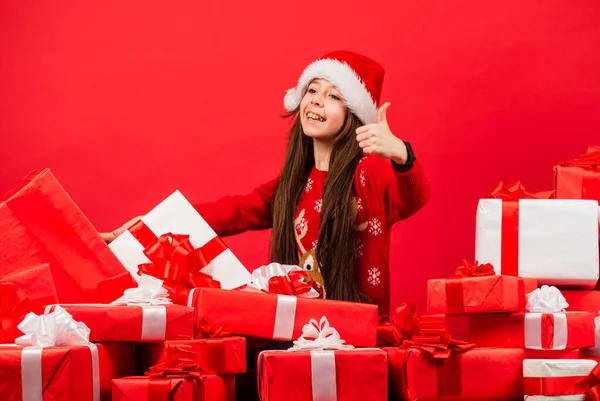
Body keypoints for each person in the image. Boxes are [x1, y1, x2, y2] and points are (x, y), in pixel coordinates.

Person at [102, 50, 430, 315]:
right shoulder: (294, 185)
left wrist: (403, 156)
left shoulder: (368, 173)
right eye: (312, 91)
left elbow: (412, 198)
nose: (316, 100)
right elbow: (229, 212)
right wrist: (149, 226)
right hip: (298, 334)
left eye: (333, 95)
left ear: (354, 113)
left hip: (356, 338)